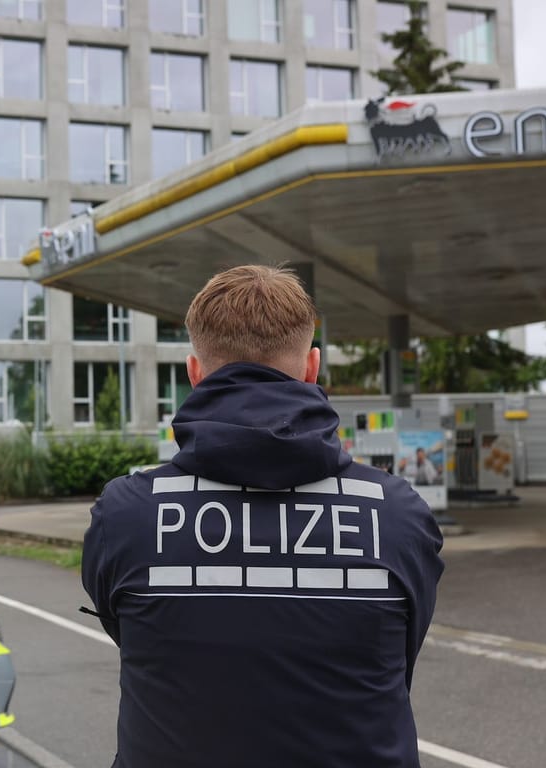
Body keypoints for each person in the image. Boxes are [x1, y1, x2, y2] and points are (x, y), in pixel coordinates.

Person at [81, 264, 444, 768]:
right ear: (313, 367)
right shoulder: (397, 515)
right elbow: (400, 658)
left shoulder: (127, 514)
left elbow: (129, 630)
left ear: (194, 373)